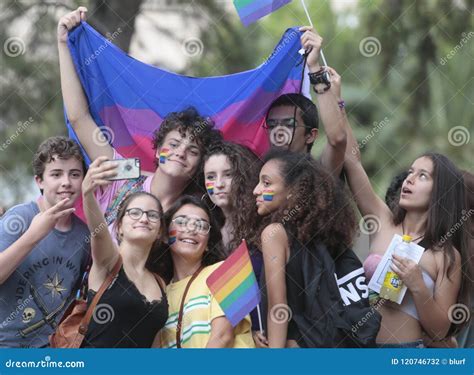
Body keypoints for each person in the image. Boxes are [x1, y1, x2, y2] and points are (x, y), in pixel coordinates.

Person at [57, 7, 222, 237]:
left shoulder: (196, 214)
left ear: (200, 165)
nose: (180, 152)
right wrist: (64, 44)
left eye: (193, 150)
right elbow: (78, 118)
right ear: (157, 150)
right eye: (173, 144)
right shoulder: (124, 173)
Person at [343, 95, 471, 347]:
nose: (408, 180)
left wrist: (418, 286)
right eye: (410, 172)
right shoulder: (383, 221)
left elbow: (439, 332)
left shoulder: (446, 256)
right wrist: (332, 96)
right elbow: (351, 160)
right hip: (359, 348)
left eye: (422, 175)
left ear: (441, 191)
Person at [253, 150, 360, 347]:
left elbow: (278, 307)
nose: (256, 190)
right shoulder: (314, 237)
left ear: (293, 190)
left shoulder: (274, 234)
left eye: (266, 183)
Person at [0, 136, 89, 348]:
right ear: (39, 180)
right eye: (56, 174)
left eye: (74, 174)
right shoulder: (19, 218)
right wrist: (34, 235)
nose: (66, 182)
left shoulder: (84, 234)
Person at [79, 157, 168, 348]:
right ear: (119, 226)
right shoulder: (109, 261)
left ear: (160, 230)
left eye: (152, 215)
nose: (144, 219)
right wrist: (88, 194)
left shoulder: (160, 283)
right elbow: (100, 234)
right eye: (134, 213)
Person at [157, 196, 254, 348]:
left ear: (208, 243)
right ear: (164, 236)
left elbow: (223, 337)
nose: (191, 229)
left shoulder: (227, 270)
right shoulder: (160, 295)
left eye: (201, 225)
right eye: (181, 222)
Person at [265, 27, 346, 177]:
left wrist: (314, 67)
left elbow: (338, 139)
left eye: (289, 124)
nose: (278, 131)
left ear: (311, 135)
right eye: (271, 125)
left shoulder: (321, 176)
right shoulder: (254, 179)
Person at [203, 141, 264, 333]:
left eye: (228, 174)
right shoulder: (208, 235)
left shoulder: (263, 225)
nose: (219, 184)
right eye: (211, 177)